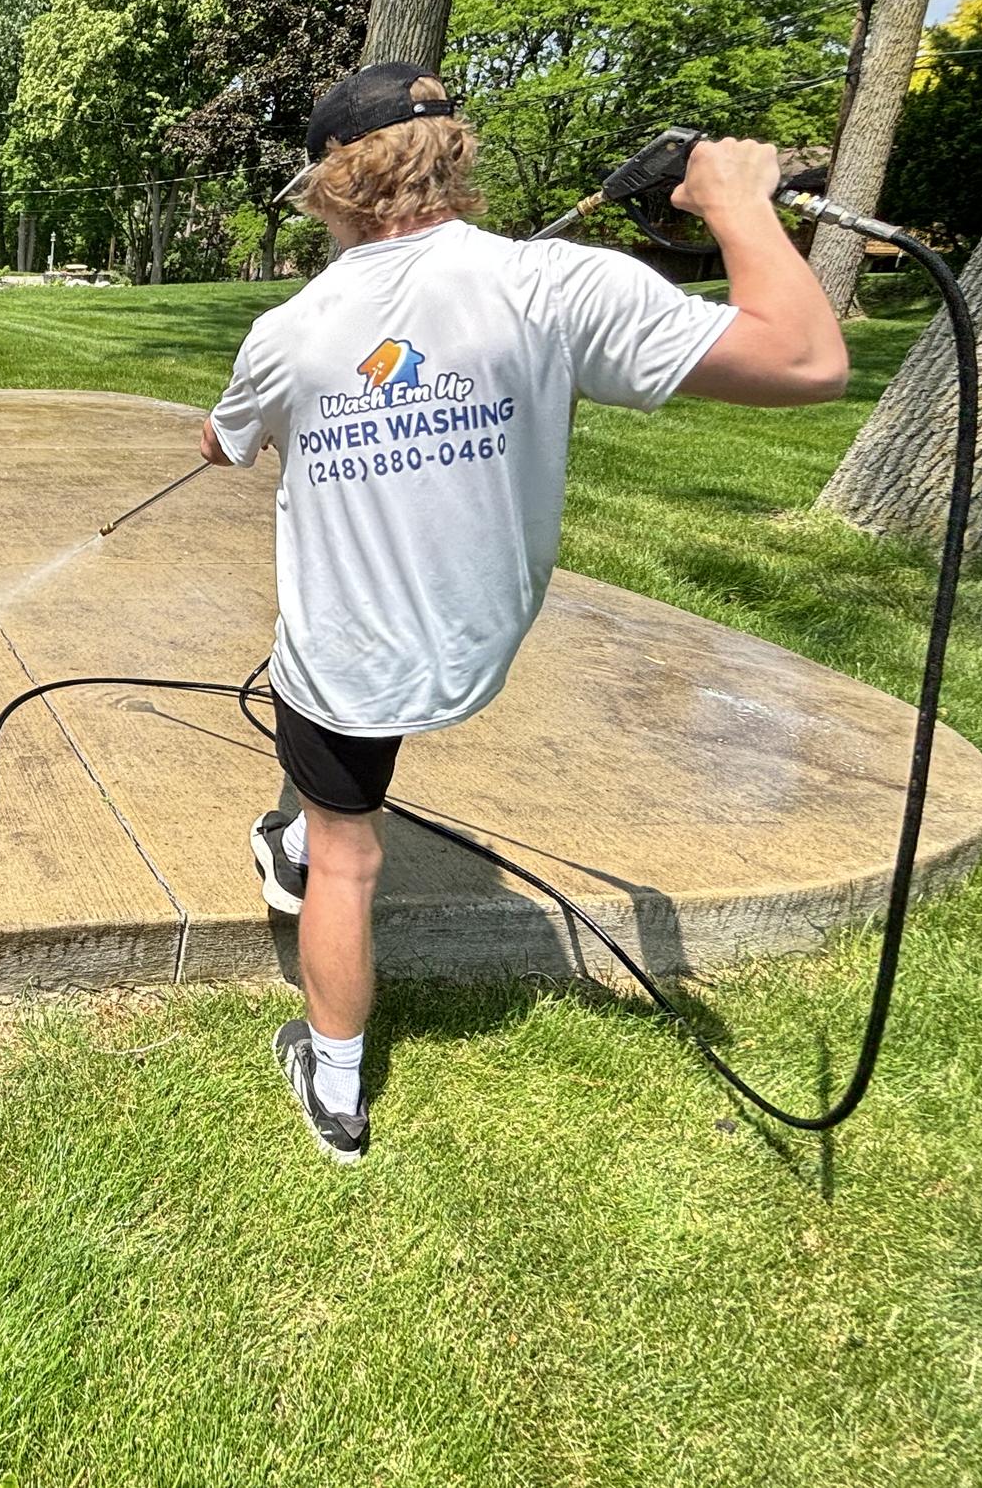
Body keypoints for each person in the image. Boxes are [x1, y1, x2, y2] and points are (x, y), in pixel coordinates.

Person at [200, 63, 849, 1163]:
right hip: (475, 638)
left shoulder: (290, 329)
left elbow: (804, 362)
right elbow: (801, 356)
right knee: (330, 761)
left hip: (349, 658)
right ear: (454, 155)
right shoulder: (554, 285)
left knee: (347, 849)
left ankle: (334, 1083)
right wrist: (731, 206)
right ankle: (299, 828)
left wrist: (739, 201)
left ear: (330, 188)